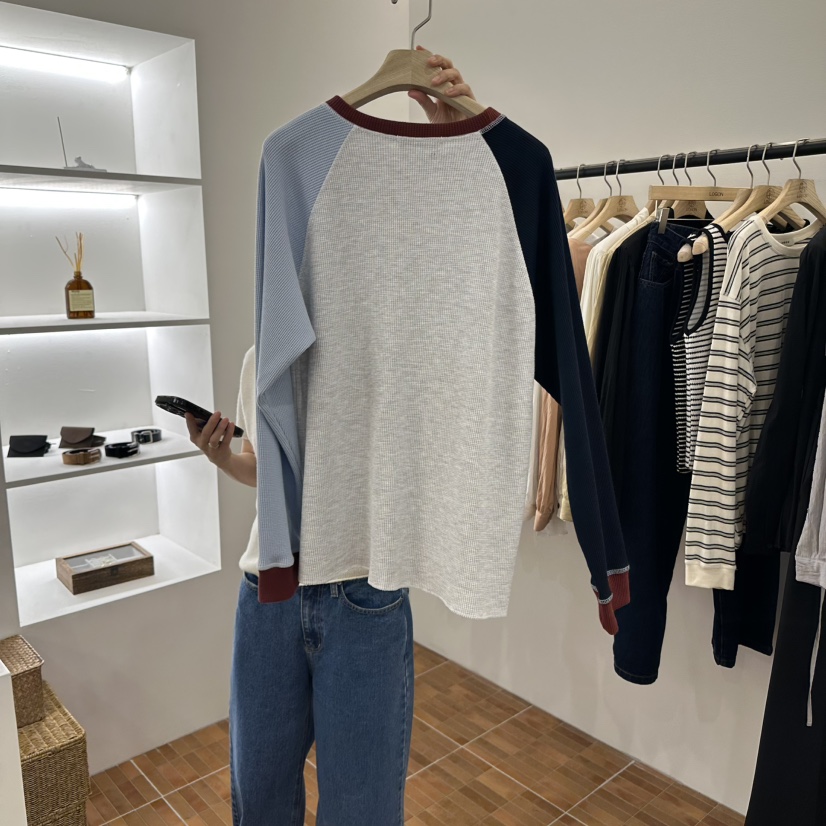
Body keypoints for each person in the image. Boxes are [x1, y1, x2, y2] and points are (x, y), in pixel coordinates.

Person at [186, 49, 475, 826]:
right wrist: (224, 455)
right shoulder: (266, 353)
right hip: (269, 592)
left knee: (363, 808)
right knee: (260, 801)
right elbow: (271, 472)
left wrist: (462, 131)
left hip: (363, 592)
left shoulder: (404, 352)